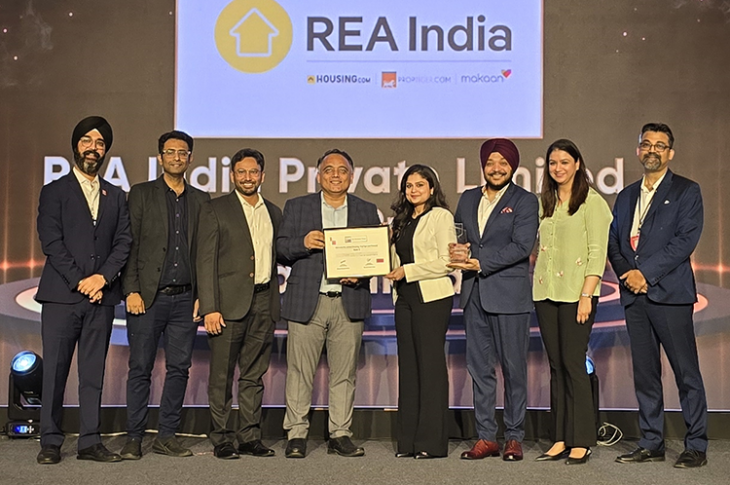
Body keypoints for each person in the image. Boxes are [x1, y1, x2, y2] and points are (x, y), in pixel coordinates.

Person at [609, 123, 708, 468]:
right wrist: (628, 275)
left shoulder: (686, 191)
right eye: (647, 144)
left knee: (686, 373)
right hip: (635, 297)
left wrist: (645, 274)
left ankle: (696, 445)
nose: (652, 150)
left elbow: (684, 241)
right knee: (645, 373)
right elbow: (615, 242)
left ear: (670, 153)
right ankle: (651, 441)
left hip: (670, 295)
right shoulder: (626, 196)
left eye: (660, 145)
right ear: (638, 150)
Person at [35, 116, 132, 464]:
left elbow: (123, 242)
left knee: (93, 374)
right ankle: (50, 441)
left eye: (100, 143)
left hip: (101, 299)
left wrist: (102, 279)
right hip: (62, 297)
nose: (94, 148)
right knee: (55, 372)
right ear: (76, 146)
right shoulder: (54, 191)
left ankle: (90, 441)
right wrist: (81, 281)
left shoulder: (116, 195)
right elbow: (52, 242)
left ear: (106, 151)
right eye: (87, 141)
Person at [277, 149, 380, 458]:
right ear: (318, 175)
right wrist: (302, 243)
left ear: (352, 176)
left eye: (342, 170)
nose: (336, 175)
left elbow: (375, 256)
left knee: (344, 374)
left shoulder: (366, 210)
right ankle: (297, 434)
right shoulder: (297, 206)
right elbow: (280, 249)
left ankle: (340, 434)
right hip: (307, 301)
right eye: (329, 169)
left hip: (348, 301)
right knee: (299, 372)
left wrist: (361, 274)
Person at [119, 130, 210, 459]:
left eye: (182, 152)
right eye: (170, 152)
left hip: (186, 299)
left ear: (190, 158)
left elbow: (205, 252)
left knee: (179, 369)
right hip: (147, 298)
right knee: (140, 368)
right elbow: (128, 245)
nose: (176, 157)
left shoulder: (201, 199)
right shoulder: (141, 194)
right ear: (160, 158)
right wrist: (131, 289)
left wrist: (203, 295)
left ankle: (167, 435)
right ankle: (134, 437)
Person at [448, 139, 538, 462]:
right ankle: (486, 436)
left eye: (503, 163)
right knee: (480, 370)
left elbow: (522, 246)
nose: (496, 168)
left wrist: (480, 262)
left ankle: (514, 436)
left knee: (514, 370)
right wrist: (458, 252)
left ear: (513, 167)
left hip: (510, 297)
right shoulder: (468, 198)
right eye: (490, 163)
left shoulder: (525, 201)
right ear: (483, 166)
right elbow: (460, 238)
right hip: (474, 295)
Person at [196, 148, 282, 460]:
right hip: (226, 306)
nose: (248, 177)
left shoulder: (273, 212)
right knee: (221, 376)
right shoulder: (215, 209)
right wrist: (210, 307)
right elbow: (205, 261)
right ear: (232, 175)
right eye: (241, 172)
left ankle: (249, 437)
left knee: (253, 375)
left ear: (263, 176)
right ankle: (221, 438)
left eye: (253, 172)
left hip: (264, 301)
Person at [532, 139, 612, 465]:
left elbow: (597, 253)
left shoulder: (592, 203)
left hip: (577, 294)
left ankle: (582, 439)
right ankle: (561, 437)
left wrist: (587, 294)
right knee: (556, 366)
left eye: (565, 162)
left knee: (574, 363)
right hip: (545, 292)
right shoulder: (545, 202)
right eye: (553, 163)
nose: (558, 168)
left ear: (577, 164)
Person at [383, 165, 456, 459]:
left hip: (432, 298)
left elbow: (447, 261)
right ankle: (408, 442)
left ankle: (430, 443)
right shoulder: (400, 221)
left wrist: (408, 271)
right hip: (404, 299)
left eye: (420, 185)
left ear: (432, 188)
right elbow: (390, 260)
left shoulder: (441, 216)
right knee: (409, 369)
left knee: (430, 368)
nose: (413, 190)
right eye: (409, 186)